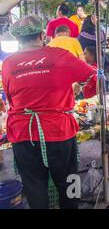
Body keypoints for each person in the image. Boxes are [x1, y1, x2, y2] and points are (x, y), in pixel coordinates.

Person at [2, 16, 96, 209]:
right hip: (58, 131)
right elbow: (90, 73)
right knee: (69, 181)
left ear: (19, 40)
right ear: (43, 35)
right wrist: (76, 86)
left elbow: (11, 99)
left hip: (23, 134)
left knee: (34, 187)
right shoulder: (60, 55)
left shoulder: (8, 63)